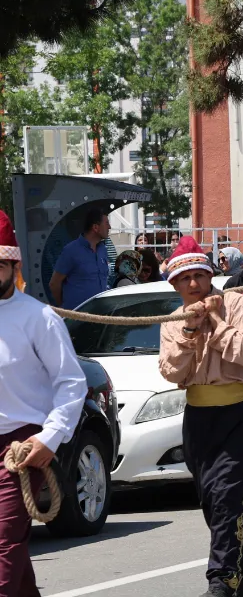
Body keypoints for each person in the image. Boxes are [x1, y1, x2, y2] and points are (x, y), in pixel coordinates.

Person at [160, 236, 243, 597]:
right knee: (211, 502)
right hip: (200, 419)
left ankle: (220, 579)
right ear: (175, 284)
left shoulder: (236, 303)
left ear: (211, 276)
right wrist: (190, 330)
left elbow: (242, 352)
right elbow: (172, 373)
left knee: (229, 496)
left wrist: (217, 321)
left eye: (199, 276)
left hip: (242, 413)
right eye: (185, 278)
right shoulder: (174, 319)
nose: (193, 285)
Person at [0, 210, 86, 597]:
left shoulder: (39, 318)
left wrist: (49, 438)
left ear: (13, 264)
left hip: (21, 447)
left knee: (3, 543)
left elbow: (71, 382)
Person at [49, 207, 111, 309]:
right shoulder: (71, 251)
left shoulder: (102, 249)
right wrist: (64, 307)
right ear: (95, 227)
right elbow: (54, 284)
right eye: (106, 223)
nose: (110, 227)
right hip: (77, 318)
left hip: (100, 314)